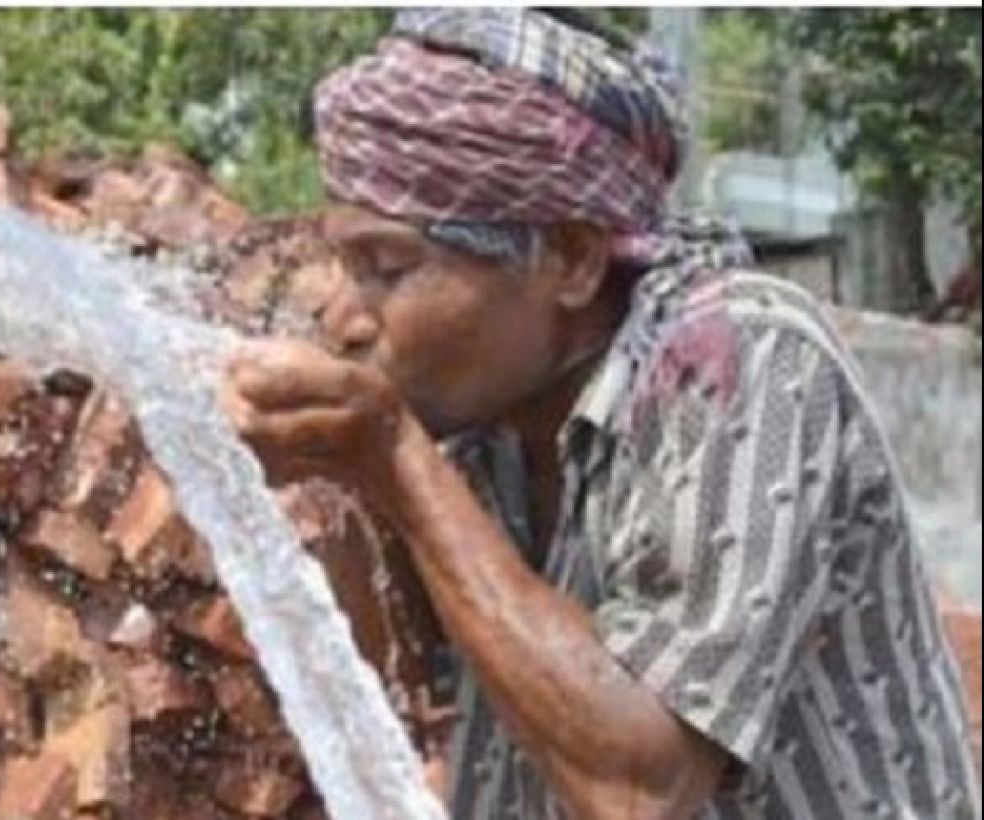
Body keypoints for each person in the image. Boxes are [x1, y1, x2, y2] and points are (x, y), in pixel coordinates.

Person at [220, 9, 981, 819]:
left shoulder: (741, 362)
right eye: (343, 261)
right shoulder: (483, 421)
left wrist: (392, 462)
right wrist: (331, 478)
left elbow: (641, 788)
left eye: (386, 265)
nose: (343, 317)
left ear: (574, 260)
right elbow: (397, 703)